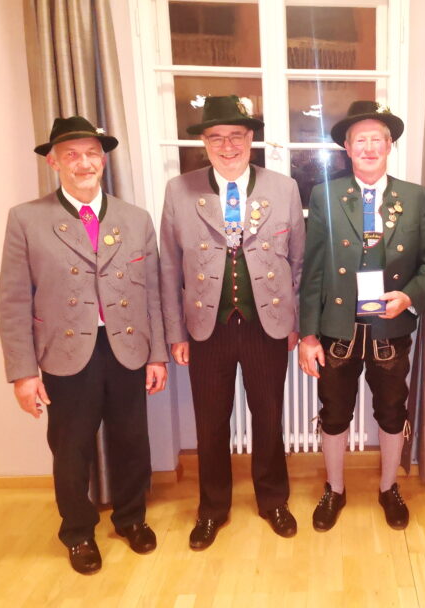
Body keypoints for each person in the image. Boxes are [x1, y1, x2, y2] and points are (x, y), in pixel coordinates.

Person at [0, 116, 168, 574]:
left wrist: (157, 355)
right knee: (71, 449)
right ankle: (77, 532)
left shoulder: (136, 219)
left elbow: (152, 293)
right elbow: (13, 300)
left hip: (127, 348)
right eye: (71, 155)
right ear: (53, 162)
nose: (84, 163)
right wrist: (23, 373)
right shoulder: (26, 219)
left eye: (92, 153)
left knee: (132, 440)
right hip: (65, 352)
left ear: (103, 160)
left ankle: (131, 518)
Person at [159, 95, 305, 546]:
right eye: (216, 137)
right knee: (210, 423)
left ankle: (273, 500)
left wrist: (294, 323)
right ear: (204, 142)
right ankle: (212, 509)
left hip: (267, 326)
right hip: (207, 329)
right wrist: (175, 333)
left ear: (251, 138)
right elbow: (168, 267)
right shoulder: (179, 190)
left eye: (236, 136)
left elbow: (298, 262)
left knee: (269, 417)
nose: (227, 146)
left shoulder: (284, 188)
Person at [298, 100, 425, 531]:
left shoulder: (416, 197)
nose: (368, 147)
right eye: (359, 140)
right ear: (347, 147)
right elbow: (313, 269)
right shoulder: (325, 195)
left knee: (392, 411)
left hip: (390, 326)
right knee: (334, 411)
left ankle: (388, 487)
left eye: (376, 139)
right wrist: (308, 335)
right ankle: (335, 488)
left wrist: (409, 296)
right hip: (337, 327)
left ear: (389, 145)